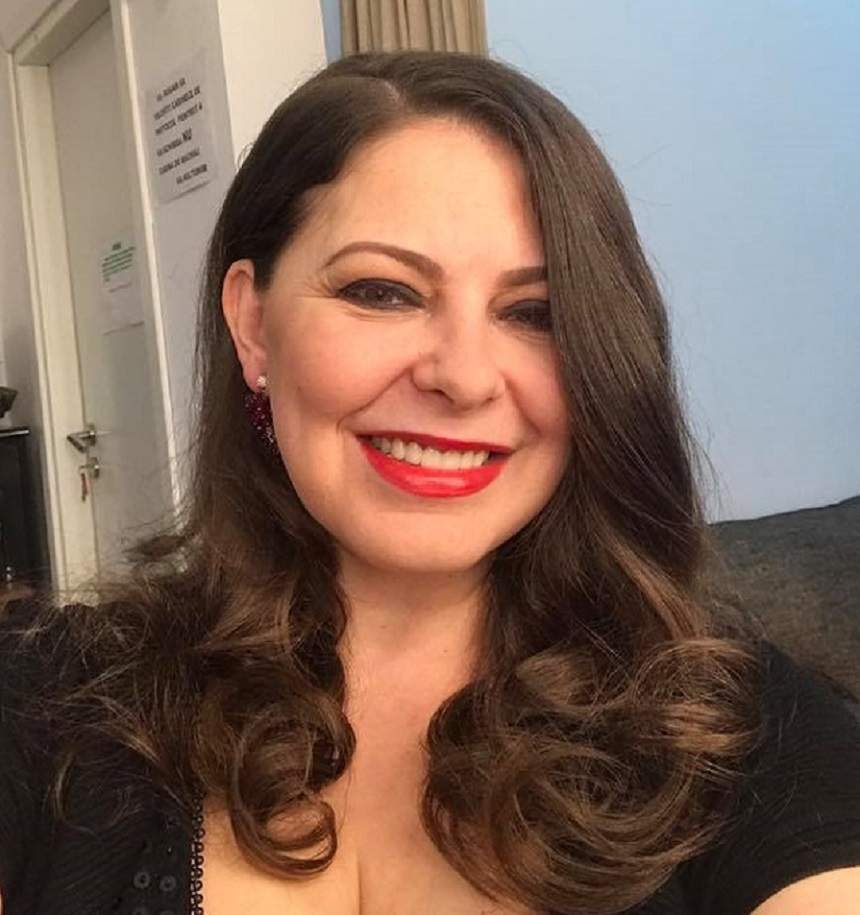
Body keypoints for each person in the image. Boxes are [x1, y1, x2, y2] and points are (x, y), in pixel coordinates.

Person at [1, 50, 859, 915]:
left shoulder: (736, 731)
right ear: (252, 323)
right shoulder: (50, 699)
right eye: (384, 291)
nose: (465, 376)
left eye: (534, 312)